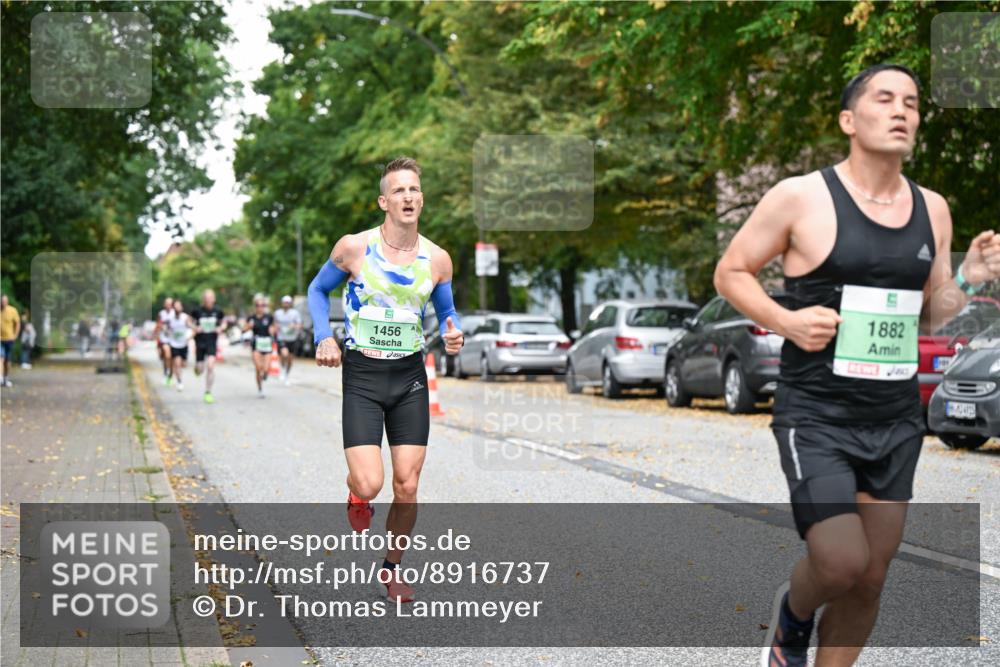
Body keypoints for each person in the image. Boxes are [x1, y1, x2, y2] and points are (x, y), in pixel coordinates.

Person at [712, 64, 1000, 667]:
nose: (901, 111)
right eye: (885, 99)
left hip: (894, 417)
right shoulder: (800, 197)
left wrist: (969, 278)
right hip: (816, 412)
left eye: (913, 103)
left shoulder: (934, 209)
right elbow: (731, 273)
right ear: (849, 119)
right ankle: (792, 617)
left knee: (870, 576)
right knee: (841, 560)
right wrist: (786, 321)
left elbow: (931, 316)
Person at [307, 157, 464, 603]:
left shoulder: (437, 259)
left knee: (408, 485)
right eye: (398, 191)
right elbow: (318, 290)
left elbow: (447, 310)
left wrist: (453, 332)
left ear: (422, 199)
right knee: (370, 483)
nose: (408, 197)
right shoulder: (354, 248)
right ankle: (357, 495)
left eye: (414, 189)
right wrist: (324, 337)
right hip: (363, 374)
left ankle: (393, 568)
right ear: (383, 202)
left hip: (410, 375)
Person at [190, 289, 226, 404]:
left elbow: (224, 322)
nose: (208, 300)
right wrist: (194, 327)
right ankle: (197, 369)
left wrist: (221, 328)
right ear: (203, 299)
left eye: (210, 298)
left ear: (214, 299)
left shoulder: (218, 311)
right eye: (206, 298)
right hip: (200, 342)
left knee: (210, 366)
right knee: (200, 369)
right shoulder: (197, 311)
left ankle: (208, 392)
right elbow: (188, 320)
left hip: (211, 342)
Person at [243, 296, 276, 398]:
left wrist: (272, 330)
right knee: (258, 368)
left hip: (267, 344)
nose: (260, 307)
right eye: (258, 305)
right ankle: (260, 389)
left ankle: (264, 375)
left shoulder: (269, 317)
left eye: (263, 305)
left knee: (265, 369)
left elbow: (274, 328)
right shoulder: (251, 318)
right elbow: (243, 329)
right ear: (255, 306)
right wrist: (249, 326)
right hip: (256, 344)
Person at [274, 295, 303, 385]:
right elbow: (274, 324)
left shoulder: (295, 313)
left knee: (290, 360)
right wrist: (275, 328)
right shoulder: (277, 313)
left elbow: (300, 325)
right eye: (284, 302)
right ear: (282, 303)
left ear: (290, 304)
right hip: (281, 337)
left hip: (292, 338)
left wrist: (294, 326)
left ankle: (287, 375)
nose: (286, 304)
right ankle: (282, 369)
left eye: (288, 302)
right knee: (284, 354)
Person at [165, 299, 192, 392]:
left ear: (182, 308)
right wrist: (168, 333)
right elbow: (167, 329)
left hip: (183, 344)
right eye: (175, 306)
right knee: (177, 364)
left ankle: (176, 376)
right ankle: (179, 382)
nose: (177, 308)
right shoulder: (170, 318)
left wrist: (189, 337)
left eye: (179, 306)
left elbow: (192, 328)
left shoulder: (185, 317)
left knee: (183, 364)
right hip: (174, 344)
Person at [1, 295, 20, 387]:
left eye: (5, 301)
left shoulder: (12, 310)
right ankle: (0, 377)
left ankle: (6, 378)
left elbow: (17, 323)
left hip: (9, 339)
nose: (3, 303)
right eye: (2, 301)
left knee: (7, 361)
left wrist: (15, 335)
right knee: (1, 357)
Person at [155, 297, 175, 384]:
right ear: (164, 305)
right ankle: (166, 372)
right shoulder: (161, 314)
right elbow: (158, 326)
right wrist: (157, 336)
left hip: (174, 340)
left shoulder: (175, 313)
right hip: (164, 338)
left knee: (172, 358)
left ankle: (170, 374)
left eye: (170, 304)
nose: (168, 305)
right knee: (166, 356)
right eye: (167, 303)